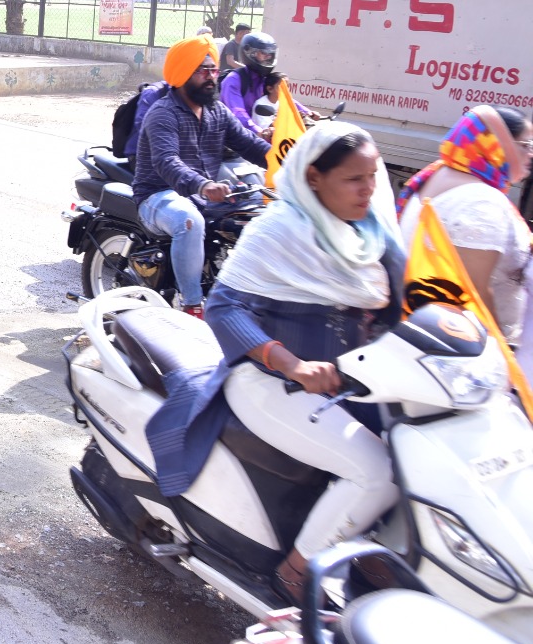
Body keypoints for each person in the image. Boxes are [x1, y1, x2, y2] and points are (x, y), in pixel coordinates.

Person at [149, 123, 403, 602]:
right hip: (272, 383)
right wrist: (290, 364)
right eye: (354, 178)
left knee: (419, 456)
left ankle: (367, 552)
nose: (369, 188)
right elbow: (225, 307)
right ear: (313, 177)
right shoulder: (279, 228)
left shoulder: (373, 233)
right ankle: (295, 572)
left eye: (373, 176)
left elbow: (410, 302)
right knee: (379, 472)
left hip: (354, 383)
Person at [132, 35, 271, 316]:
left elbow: (249, 144)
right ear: (183, 73)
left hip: (202, 194)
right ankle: (192, 304)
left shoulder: (216, 111)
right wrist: (204, 184)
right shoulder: (163, 113)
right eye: (203, 70)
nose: (212, 77)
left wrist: (292, 162)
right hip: (158, 194)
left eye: (214, 71)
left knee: (263, 208)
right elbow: (166, 161)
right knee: (189, 221)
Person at [397, 106, 533, 348]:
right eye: (526, 145)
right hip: (462, 344)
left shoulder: (436, 174)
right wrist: (499, 350)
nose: (530, 155)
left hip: (428, 327)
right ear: (498, 144)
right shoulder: (481, 201)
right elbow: (475, 290)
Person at [218, 32, 313, 130]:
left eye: (270, 54)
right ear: (249, 53)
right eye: (263, 53)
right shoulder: (234, 80)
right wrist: (258, 131)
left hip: (257, 134)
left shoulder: (264, 79)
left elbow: (283, 97)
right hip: (231, 136)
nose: (268, 57)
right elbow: (238, 113)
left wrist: (307, 112)